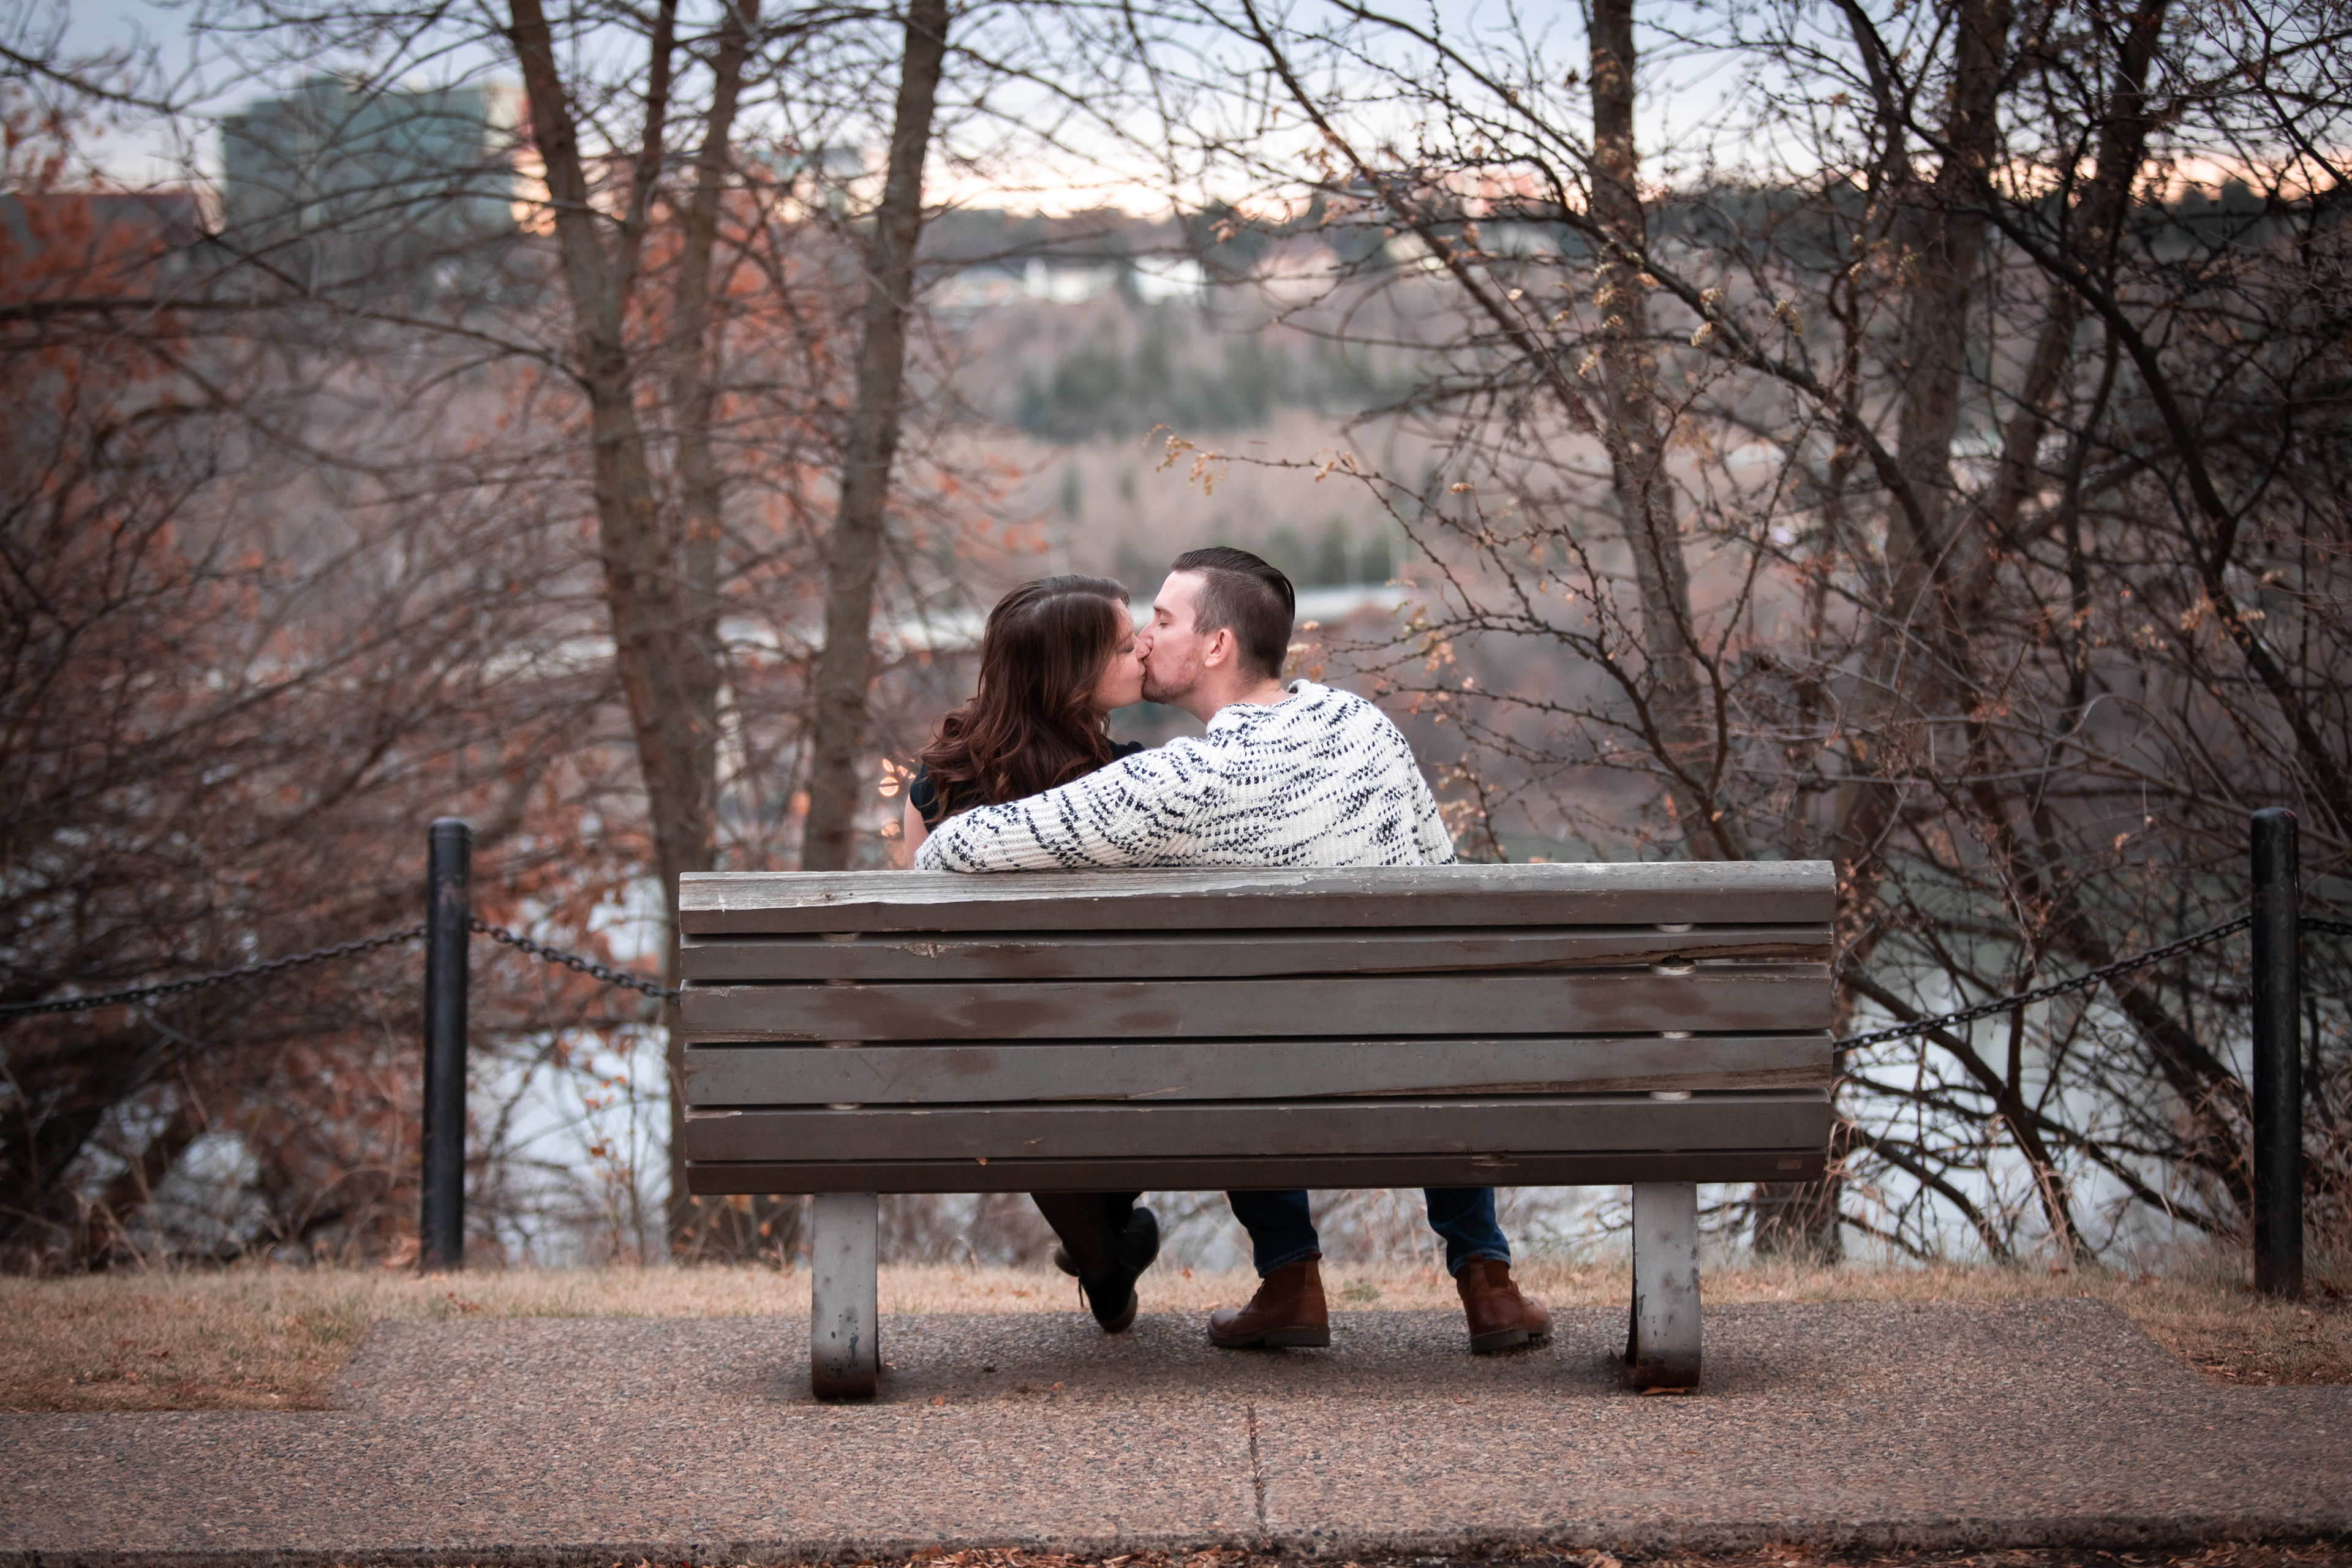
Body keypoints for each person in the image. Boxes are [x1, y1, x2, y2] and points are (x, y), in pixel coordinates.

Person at [918, 546, 1550, 1355]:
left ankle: (1291, 1280)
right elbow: (1449, 894)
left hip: (1268, 1086)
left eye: (1164, 619)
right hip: (1425, 1070)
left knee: (1245, 1031)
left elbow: (954, 850)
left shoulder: (1186, 781)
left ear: (1216, 646)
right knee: (1421, 1010)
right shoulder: (1366, 728)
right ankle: (1488, 1282)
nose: (1145, 639)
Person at [900, 574, 1163, 1336]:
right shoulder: (1133, 784)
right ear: (1071, 675)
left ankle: (1107, 1263)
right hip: (1131, 1063)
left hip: (986, 1064)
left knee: (1027, 1066)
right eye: (1124, 643)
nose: (1143, 645)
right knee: (1083, 1060)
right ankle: (1109, 1258)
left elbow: (917, 944)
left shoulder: (936, 787)